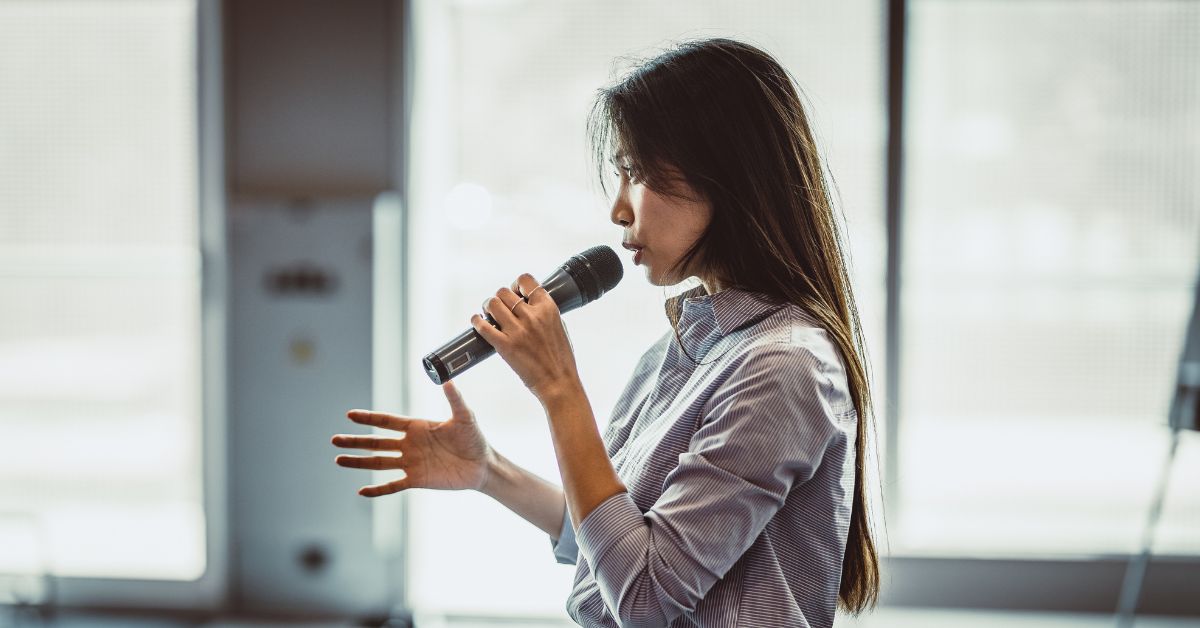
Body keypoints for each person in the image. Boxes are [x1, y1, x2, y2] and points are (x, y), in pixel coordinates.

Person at [332, 37, 880, 628]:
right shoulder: (689, 348)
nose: (618, 209)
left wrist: (558, 388)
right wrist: (491, 472)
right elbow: (615, 540)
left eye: (636, 172)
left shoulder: (783, 365)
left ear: (724, 175)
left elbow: (644, 597)